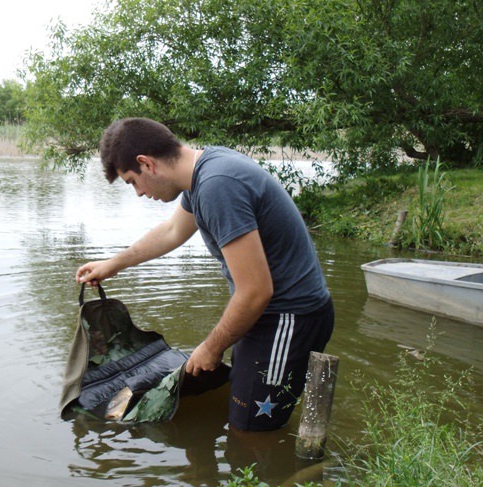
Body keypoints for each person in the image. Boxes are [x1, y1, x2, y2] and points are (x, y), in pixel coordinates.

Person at [75, 117, 334, 432]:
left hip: (288, 319)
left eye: (132, 181)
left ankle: (275, 471)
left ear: (146, 164)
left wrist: (211, 347)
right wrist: (113, 264)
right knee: (243, 406)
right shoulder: (205, 171)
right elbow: (172, 231)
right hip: (266, 316)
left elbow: (255, 291)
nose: (139, 193)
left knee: (250, 431)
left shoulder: (217, 186)